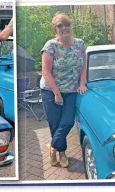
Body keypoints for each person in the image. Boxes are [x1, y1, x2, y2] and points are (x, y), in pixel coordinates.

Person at [41, 13, 87, 169]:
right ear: (55, 28)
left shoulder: (80, 44)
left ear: (71, 26)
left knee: (67, 122)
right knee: (55, 124)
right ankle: (61, 153)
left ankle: (53, 147)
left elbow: (83, 66)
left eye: (66, 24)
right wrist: (56, 93)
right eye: (60, 25)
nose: (64, 28)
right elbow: (46, 72)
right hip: (50, 90)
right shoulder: (50, 46)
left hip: (72, 90)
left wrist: (82, 83)